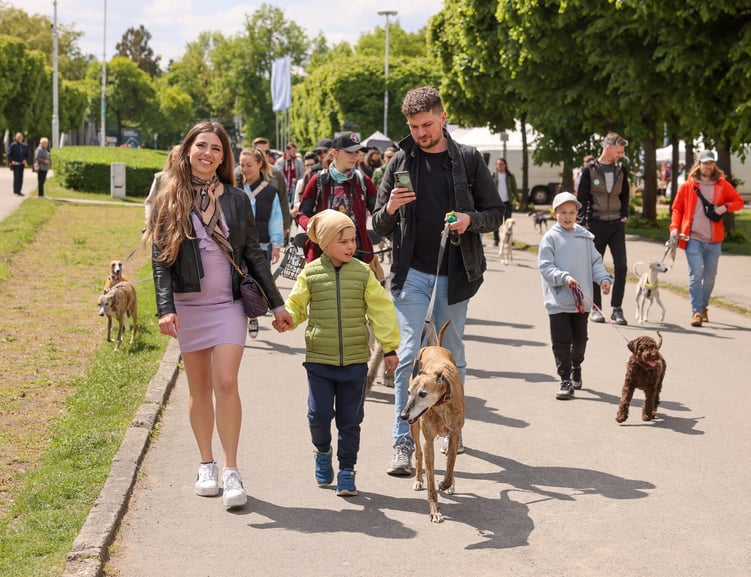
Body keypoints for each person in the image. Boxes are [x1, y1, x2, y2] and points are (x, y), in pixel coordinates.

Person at [145, 120, 287, 509]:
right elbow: (160, 261)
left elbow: (253, 255)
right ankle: (205, 463)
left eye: (217, 149)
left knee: (226, 382)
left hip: (228, 305)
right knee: (198, 389)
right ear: (188, 149)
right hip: (188, 306)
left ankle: (231, 469)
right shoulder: (169, 196)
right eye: (201, 146)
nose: (208, 154)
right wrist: (165, 309)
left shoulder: (238, 199)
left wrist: (276, 303)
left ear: (224, 157)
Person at [372, 85, 504, 475]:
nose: (420, 133)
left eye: (427, 124)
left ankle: (450, 429)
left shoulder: (468, 160)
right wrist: (392, 208)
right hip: (411, 274)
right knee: (410, 355)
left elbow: (496, 212)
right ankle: (402, 439)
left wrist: (469, 221)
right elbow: (377, 224)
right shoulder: (398, 163)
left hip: (456, 274)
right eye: (414, 127)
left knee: (451, 359)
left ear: (443, 118)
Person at [275, 209, 400, 496]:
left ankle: (346, 470)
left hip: (356, 361)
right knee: (318, 416)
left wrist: (390, 348)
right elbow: (297, 304)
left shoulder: (363, 273)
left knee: (350, 421)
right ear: (326, 243)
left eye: (353, 240)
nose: (351, 246)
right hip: (320, 360)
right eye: (343, 241)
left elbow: (381, 310)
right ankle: (322, 451)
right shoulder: (311, 273)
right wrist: (289, 318)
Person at [538, 192, 612, 400]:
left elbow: (595, 263)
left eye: (571, 212)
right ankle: (565, 379)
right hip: (559, 301)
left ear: (577, 213)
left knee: (580, 340)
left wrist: (604, 279)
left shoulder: (585, 237)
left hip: (582, 302)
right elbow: (545, 267)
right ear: (555, 214)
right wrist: (564, 277)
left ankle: (576, 365)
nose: (567, 216)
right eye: (563, 213)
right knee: (561, 341)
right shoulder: (550, 238)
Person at [669, 150, 744, 327]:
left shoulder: (722, 185)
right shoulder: (688, 186)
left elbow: (739, 201)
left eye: (711, 163)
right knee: (696, 275)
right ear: (699, 164)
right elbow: (677, 209)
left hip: (714, 240)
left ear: (714, 165)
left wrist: (725, 207)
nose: (708, 166)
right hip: (692, 237)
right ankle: (696, 312)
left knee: (710, 277)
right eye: (705, 163)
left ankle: (703, 306)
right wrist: (674, 228)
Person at [296, 132, 378, 264]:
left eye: (357, 152)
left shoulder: (363, 181)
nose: (354, 156)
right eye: (349, 152)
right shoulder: (318, 180)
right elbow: (302, 214)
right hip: (322, 253)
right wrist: (316, 228)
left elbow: (378, 212)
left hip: (356, 253)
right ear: (334, 152)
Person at [576, 132, 630, 325]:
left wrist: (624, 215)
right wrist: (582, 222)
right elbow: (581, 198)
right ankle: (596, 308)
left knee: (622, 266)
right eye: (619, 151)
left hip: (616, 224)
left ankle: (617, 308)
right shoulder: (589, 170)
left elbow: (625, 195)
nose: (621, 155)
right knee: (594, 266)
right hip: (596, 224)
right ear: (608, 148)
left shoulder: (621, 170)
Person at [239, 147, 285, 339]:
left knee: (256, 284)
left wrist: (276, 244)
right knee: (239, 284)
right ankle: (245, 318)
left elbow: (276, 218)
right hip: (237, 247)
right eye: (241, 165)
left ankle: (253, 315)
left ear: (259, 164)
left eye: (249, 165)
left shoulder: (270, 191)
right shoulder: (233, 189)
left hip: (262, 246)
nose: (245, 169)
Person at [245, 137, 291, 244]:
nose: (264, 155)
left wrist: (285, 226)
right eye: (259, 152)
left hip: (270, 230)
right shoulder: (240, 172)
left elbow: (283, 199)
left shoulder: (276, 173)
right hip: (246, 230)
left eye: (267, 151)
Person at [144, 145, 181, 226]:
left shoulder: (190, 179)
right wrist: (149, 219)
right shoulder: (160, 177)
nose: (178, 161)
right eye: (175, 157)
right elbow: (149, 201)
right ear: (171, 158)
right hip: (159, 224)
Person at [492, 158, 517, 246]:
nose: (500, 166)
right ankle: (496, 239)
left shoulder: (510, 176)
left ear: (505, 165)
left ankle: (507, 240)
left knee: (508, 222)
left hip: (507, 202)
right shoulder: (494, 175)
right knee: (497, 221)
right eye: (498, 164)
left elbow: (514, 189)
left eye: (502, 164)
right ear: (496, 166)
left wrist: (517, 200)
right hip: (496, 202)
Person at [8, 132, 28, 196]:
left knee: (21, 178)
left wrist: (25, 160)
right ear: (16, 138)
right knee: (16, 177)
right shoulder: (13, 145)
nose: (19, 138)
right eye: (18, 137)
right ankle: (15, 191)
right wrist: (11, 161)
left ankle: (19, 191)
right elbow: (9, 154)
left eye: (20, 137)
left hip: (22, 164)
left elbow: (27, 154)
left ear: (22, 138)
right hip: (15, 164)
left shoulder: (24, 145)